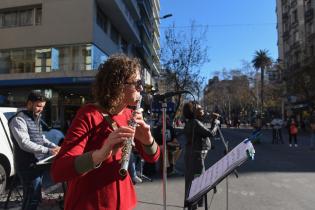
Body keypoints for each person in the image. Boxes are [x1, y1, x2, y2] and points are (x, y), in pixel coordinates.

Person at [51, 54, 160, 210]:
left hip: (123, 201)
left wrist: (147, 139)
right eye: (137, 83)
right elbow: (59, 170)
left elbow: (152, 158)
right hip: (91, 203)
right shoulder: (89, 115)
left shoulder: (130, 115)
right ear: (118, 86)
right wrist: (101, 154)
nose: (141, 88)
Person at [9, 91, 60, 210]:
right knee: (32, 198)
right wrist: (48, 150)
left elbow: (40, 138)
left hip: (37, 164)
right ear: (29, 104)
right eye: (38, 106)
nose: (40, 109)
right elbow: (24, 143)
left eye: (42, 107)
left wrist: (55, 147)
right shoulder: (18, 120)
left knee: (33, 197)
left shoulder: (35, 118)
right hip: (27, 165)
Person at [182, 102, 219, 209]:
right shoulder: (195, 123)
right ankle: (193, 205)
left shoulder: (192, 122)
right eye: (199, 108)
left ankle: (191, 204)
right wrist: (216, 122)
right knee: (197, 182)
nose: (202, 109)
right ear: (194, 111)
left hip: (192, 155)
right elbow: (211, 133)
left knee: (192, 181)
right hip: (196, 157)